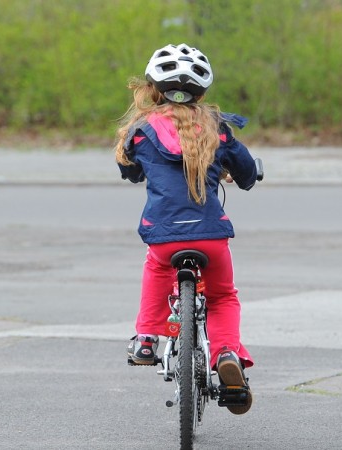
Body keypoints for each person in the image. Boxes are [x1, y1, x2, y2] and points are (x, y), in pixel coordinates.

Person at [115, 43, 259, 415]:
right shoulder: (217, 130)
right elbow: (245, 174)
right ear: (203, 93)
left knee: (155, 267)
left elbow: (129, 170)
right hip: (211, 237)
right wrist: (242, 172)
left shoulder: (142, 131)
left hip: (163, 237)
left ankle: (146, 338)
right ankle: (226, 352)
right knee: (223, 296)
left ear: (154, 90)